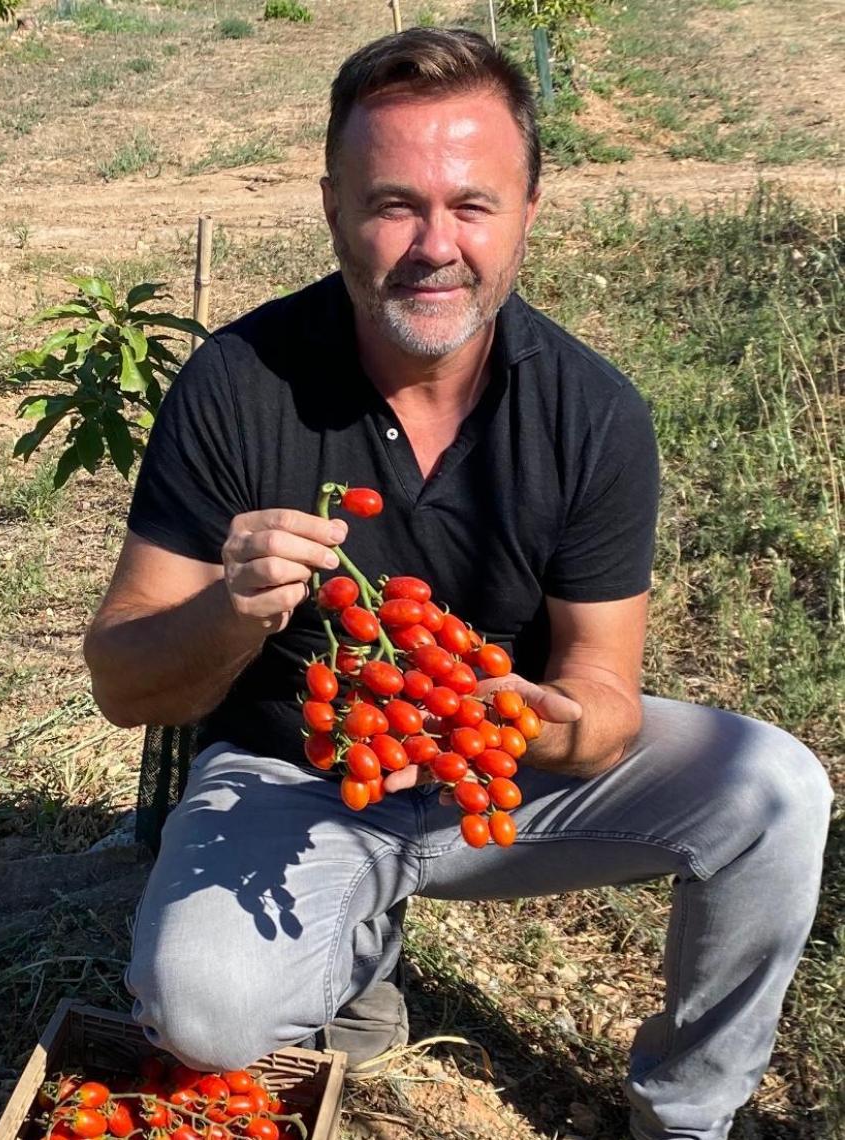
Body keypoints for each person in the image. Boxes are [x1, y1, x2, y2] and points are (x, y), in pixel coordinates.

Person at [83, 28, 832, 1140]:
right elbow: (122, 681)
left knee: (776, 789)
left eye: (472, 204)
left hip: (493, 766)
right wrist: (225, 612)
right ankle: (355, 951)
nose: (436, 245)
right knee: (205, 1018)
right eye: (394, 203)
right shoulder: (239, 385)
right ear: (332, 206)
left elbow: (604, 691)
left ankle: (688, 1112)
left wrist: (556, 728)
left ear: (529, 208)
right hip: (300, 774)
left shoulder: (591, 412)